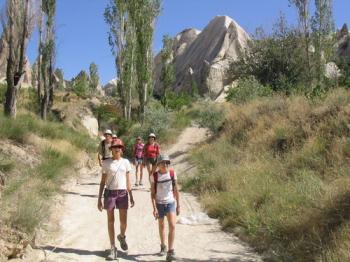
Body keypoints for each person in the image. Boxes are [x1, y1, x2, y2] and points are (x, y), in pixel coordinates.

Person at [97, 138, 135, 260]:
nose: (116, 149)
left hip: (123, 193)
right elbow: (102, 182)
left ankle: (122, 236)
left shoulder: (126, 162)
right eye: (114, 147)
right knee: (110, 221)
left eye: (118, 147)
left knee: (123, 222)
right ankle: (113, 248)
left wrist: (131, 195)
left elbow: (128, 181)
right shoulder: (106, 163)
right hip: (110, 193)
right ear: (111, 149)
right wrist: (99, 198)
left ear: (121, 149)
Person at [150, 155, 180, 262]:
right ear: (158, 164)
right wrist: (154, 208)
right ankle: (163, 245)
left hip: (171, 203)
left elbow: (176, 190)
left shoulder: (172, 173)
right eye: (163, 162)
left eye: (167, 162)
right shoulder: (154, 176)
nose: (166, 164)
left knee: (172, 225)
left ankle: (170, 251)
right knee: (161, 225)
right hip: (159, 204)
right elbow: (152, 193)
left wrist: (178, 205)